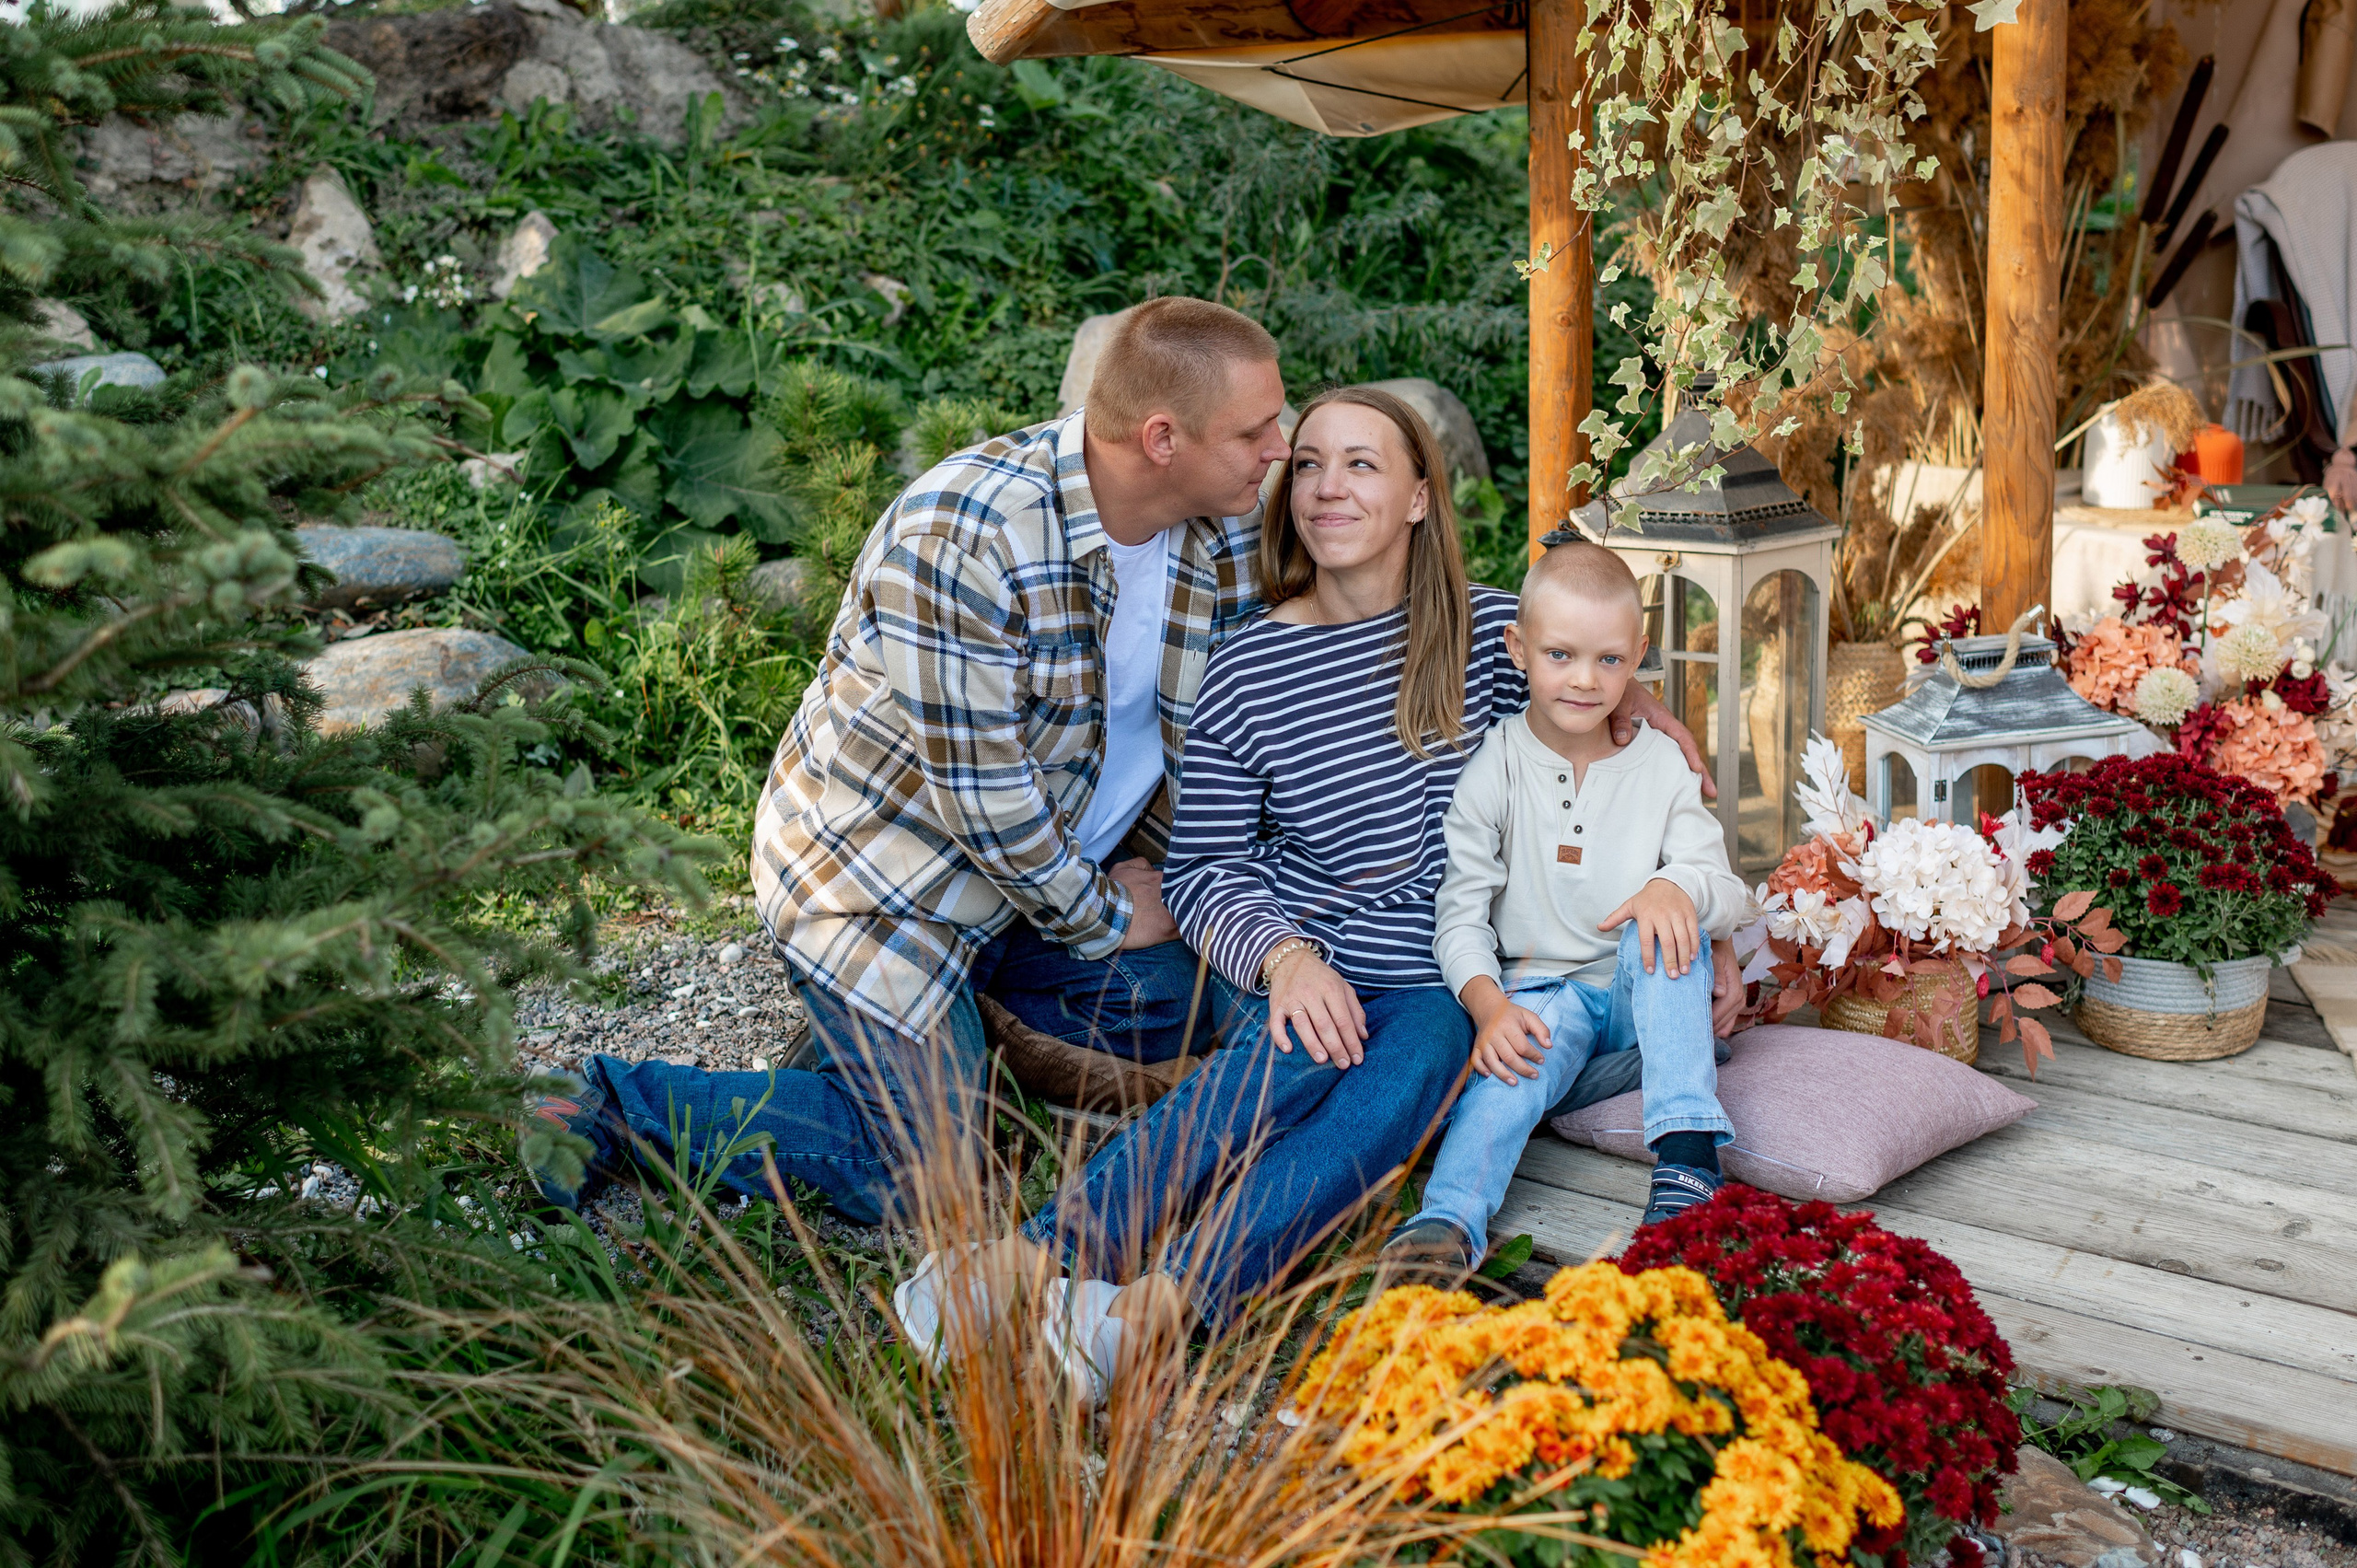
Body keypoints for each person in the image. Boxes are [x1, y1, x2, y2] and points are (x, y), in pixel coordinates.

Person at [893, 388, 1729, 1400]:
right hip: (1302, 960)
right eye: (1311, 462)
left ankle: (1150, 1314)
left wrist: (1647, 713)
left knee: (1402, 1066)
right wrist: (1287, 960)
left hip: (1442, 977)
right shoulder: (1248, 664)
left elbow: (1600, 701)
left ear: (1421, 497)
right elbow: (1205, 866)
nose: (1328, 484)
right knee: (1282, 1069)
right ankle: (1026, 1265)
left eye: (1363, 464)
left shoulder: (1496, 638)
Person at [522, 296, 1289, 1220]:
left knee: (1179, 1005)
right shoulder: (965, 535)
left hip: (1041, 884)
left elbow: (1229, 727)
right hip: (882, 878)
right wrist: (1105, 914)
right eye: (1254, 430)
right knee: (922, 1177)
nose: (1278, 448)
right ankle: (605, 1100)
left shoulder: (1222, 532)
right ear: (1162, 439)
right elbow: (987, 802)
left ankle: (913, 1045)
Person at [1384, 541, 1747, 1274]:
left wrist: (1675, 886)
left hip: (1640, 1003)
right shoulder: (1496, 766)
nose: (1585, 680)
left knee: (1664, 925)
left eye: (1610, 660)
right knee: (1508, 1070)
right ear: (1518, 648)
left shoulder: (1660, 765)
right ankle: (1448, 1220)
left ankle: (1686, 1163)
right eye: (1560, 655)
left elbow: (1724, 883)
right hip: (1545, 1005)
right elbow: (1459, 913)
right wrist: (1488, 1009)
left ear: (1640, 654)